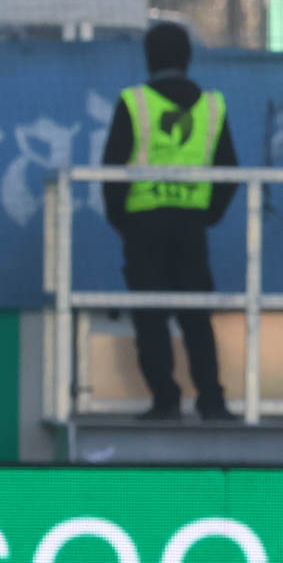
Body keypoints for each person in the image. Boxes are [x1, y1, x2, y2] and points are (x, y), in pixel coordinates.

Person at [100, 22, 238, 421]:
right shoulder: (212, 106)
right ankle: (212, 401)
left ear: (148, 58)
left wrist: (122, 221)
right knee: (196, 315)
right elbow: (229, 170)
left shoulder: (134, 102)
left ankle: (165, 400)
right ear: (188, 58)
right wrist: (207, 214)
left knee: (151, 314)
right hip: (191, 226)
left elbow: (112, 170)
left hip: (143, 226)